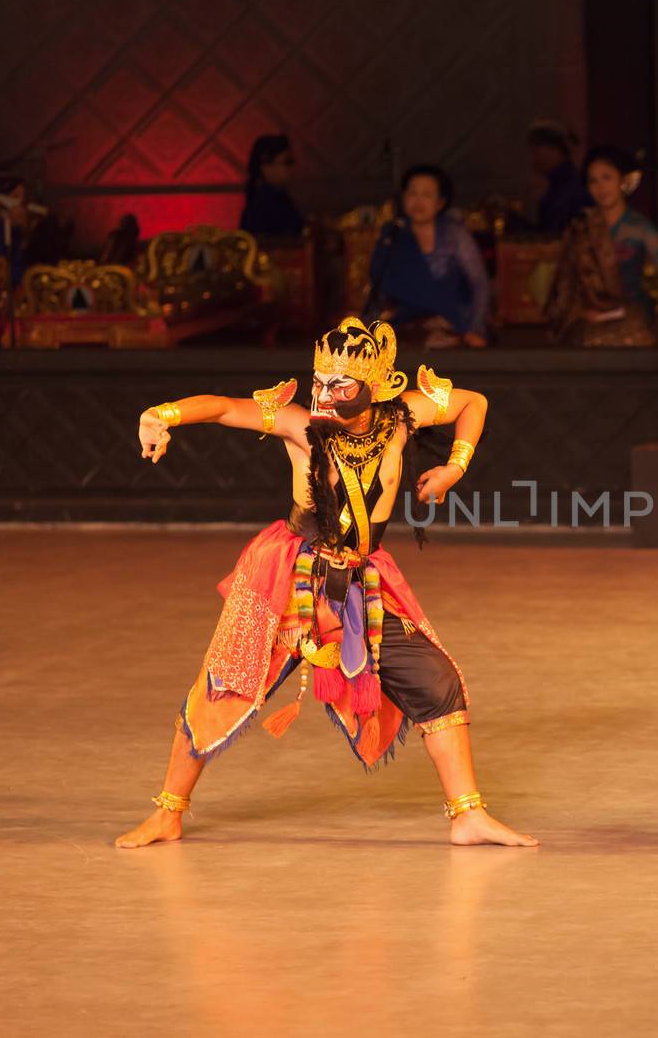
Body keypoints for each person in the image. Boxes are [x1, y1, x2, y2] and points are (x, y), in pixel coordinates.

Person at [115, 317, 536, 850]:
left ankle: (467, 816)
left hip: (361, 583)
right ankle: (168, 812)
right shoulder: (299, 426)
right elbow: (224, 407)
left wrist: (454, 467)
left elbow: (473, 403)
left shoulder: (402, 417)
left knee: (436, 682)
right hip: (290, 578)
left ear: (376, 388)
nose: (323, 394)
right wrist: (161, 415)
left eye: (340, 386)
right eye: (319, 381)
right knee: (225, 682)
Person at [545, 145, 658, 347]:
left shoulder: (641, 229)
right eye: (593, 181)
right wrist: (580, 311)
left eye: (607, 178)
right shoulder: (581, 228)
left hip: (630, 315)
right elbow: (566, 284)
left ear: (623, 181)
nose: (601, 187)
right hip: (587, 317)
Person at [367, 164, 490, 348]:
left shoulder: (454, 234)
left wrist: (475, 329)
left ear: (440, 202)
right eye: (412, 194)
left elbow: (479, 283)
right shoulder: (394, 234)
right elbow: (379, 283)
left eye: (426, 195)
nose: (418, 202)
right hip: (406, 323)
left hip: (453, 322)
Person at [526, 120, 590, 234]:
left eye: (536, 152)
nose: (533, 159)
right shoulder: (558, 187)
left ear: (554, 150)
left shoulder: (573, 190)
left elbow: (555, 236)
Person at [238, 134, 306, 238]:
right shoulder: (264, 205)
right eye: (287, 162)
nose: (292, 168)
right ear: (265, 168)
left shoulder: (280, 197)